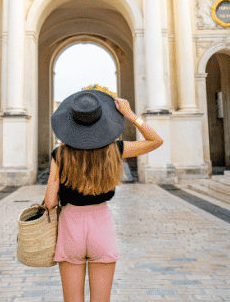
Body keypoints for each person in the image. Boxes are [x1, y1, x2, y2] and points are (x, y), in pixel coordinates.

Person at [44, 88, 163, 302]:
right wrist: (130, 115)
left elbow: (51, 202)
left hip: (71, 225)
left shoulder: (60, 154)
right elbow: (156, 141)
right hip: (101, 224)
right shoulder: (115, 149)